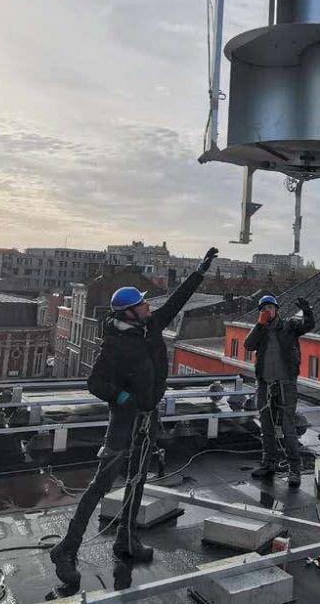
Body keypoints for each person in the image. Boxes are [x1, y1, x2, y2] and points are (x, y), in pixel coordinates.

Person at [49, 247, 218, 586]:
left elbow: (175, 303)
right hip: (124, 423)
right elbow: (95, 382)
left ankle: (126, 539)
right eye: (142, 304)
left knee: (138, 478)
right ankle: (66, 548)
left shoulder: (150, 328)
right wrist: (122, 397)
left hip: (147, 418)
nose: (148, 306)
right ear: (129, 313)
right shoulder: (114, 344)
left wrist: (199, 273)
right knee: (101, 485)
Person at [244, 293, 314, 486]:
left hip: (286, 385)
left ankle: (294, 469)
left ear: (277, 310)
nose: (268, 311)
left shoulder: (289, 326)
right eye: (264, 309)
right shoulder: (260, 330)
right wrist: (260, 325)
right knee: (266, 427)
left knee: (288, 428)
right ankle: (268, 465)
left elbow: (308, 326)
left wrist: (307, 311)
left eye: (271, 308)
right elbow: (248, 345)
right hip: (264, 384)